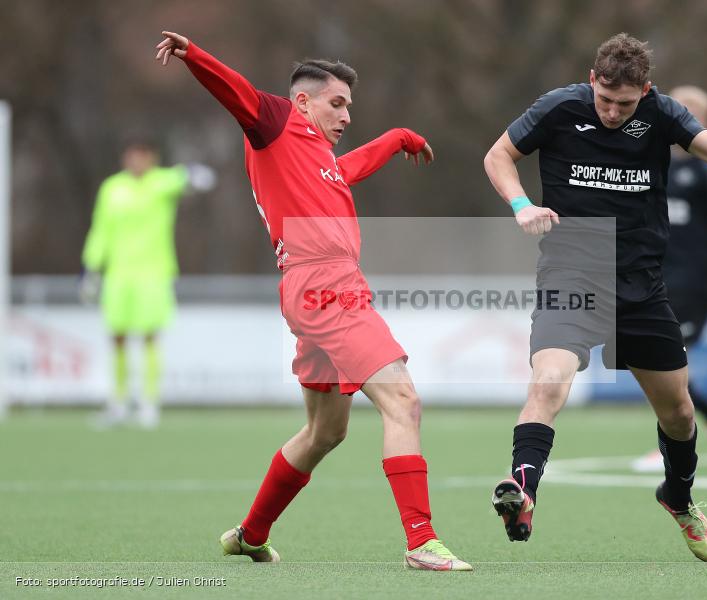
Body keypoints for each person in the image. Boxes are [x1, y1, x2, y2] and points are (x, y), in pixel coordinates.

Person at [155, 31, 471, 571]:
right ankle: (421, 541)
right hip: (328, 288)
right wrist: (194, 56)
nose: (346, 116)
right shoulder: (277, 123)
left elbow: (350, 169)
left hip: (314, 290)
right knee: (403, 401)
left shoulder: (317, 159)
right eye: (337, 103)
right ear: (303, 101)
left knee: (326, 431)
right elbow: (238, 94)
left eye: (349, 106)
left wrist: (397, 138)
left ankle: (250, 534)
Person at [482, 33, 707, 561]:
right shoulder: (559, 107)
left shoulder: (664, 113)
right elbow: (498, 155)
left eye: (625, 104)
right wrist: (521, 204)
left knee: (679, 414)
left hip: (640, 287)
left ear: (645, 91)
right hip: (570, 277)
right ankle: (523, 490)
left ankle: (677, 497)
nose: (612, 112)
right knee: (547, 382)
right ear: (593, 79)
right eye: (605, 99)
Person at [631, 85, 707, 473]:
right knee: (643, 354)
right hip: (654, 277)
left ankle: (675, 441)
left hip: (693, 280)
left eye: (688, 111)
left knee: (664, 358)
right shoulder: (654, 162)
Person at [81, 140, 216, 429]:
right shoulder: (112, 188)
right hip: (118, 274)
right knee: (116, 336)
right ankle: (117, 402)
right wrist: (91, 267)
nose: (136, 161)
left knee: (150, 337)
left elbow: (186, 177)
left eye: (142, 156)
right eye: (132, 155)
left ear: (152, 158)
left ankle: (148, 402)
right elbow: (101, 229)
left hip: (154, 273)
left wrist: (194, 174)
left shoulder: (160, 183)